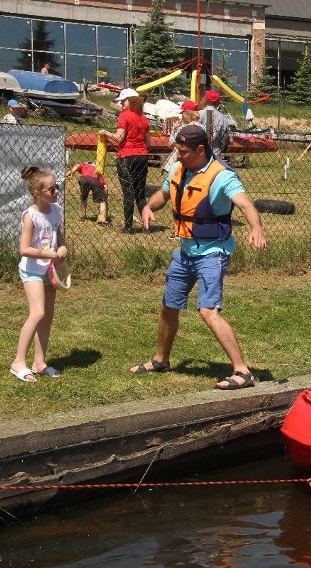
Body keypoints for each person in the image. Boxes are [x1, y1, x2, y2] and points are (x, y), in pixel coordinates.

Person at [133, 125, 267, 389]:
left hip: (212, 253)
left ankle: (242, 372)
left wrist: (256, 228)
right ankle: (161, 360)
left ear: (200, 150)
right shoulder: (178, 168)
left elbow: (245, 204)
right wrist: (148, 207)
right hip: (185, 251)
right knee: (169, 305)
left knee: (207, 310)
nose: (177, 155)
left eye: (182, 151)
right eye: (177, 150)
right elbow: (163, 193)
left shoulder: (222, 176)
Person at [10, 166, 69, 383]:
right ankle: (17, 362)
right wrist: (50, 253)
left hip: (49, 270)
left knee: (47, 317)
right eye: (52, 189)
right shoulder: (30, 215)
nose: (57, 192)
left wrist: (62, 248)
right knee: (37, 312)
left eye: (57, 187)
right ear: (37, 192)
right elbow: (24, 249)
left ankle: (39, 362)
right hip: (32, 270)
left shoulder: (55, 210)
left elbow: (57, 234)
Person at [99, 88, 150, 233]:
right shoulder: (143, 118)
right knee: (140, 193)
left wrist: (105, 133)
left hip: (127, 157)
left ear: (131, 100)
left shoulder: (124, 116)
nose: (121, 103)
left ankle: (128, 227)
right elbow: (149, 142)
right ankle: (146, 226)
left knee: (128, 192)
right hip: (142, 156)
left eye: (123, 100)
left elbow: (119, 137)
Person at [198, 89, 236, 159]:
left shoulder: (198, 115)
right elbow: (230, 140)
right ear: (218, 103)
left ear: (205, 101)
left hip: (199, 154)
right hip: (216, 155)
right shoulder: (223, 118)